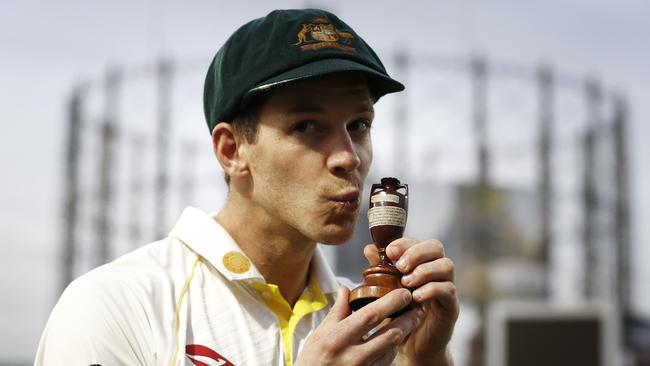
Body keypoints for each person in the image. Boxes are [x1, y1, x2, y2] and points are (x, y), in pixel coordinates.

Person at [36, 8, 458, 366]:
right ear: (232, 149)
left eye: (359, 125)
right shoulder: (118, 304)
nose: (348, 157)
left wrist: (424, 361)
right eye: (307, 126)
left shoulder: (368, 319)